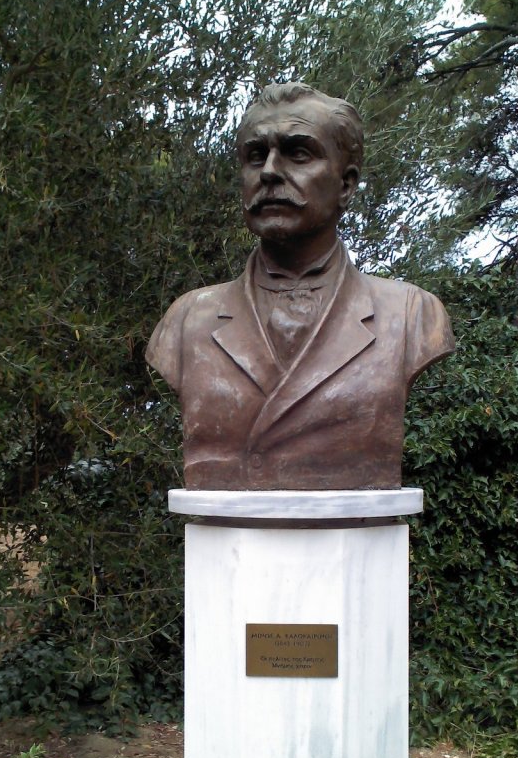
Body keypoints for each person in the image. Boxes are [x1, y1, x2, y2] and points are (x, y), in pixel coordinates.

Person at [146, 83, 454, 490]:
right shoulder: (187, 320)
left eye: (298, 153)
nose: (270, 171)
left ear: (346, 184)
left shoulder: (413, 315)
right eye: (256, 156)